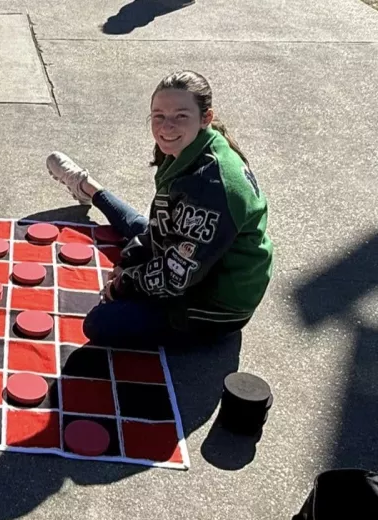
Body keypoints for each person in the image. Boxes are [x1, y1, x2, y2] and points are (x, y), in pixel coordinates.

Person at [46, 70, 273, 349]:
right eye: (159, 116)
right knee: (139, 227)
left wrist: (124, 283)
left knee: (99, 322)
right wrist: (132, 260)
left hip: (216, 304)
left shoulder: (210, 186)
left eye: (181, 116)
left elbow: (176, 276)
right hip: (195, 257)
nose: (166, 127)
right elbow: (163, 228)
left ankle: (89, 189)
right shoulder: (194, 146)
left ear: (206, 118)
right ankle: (86, 186)